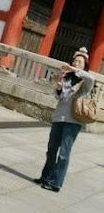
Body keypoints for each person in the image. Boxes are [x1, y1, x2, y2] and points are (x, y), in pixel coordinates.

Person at [34, 46, 94, 192]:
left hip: (73, 121)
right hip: (59, 118)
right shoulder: (66, 78)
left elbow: (91, 78)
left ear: (85, 66)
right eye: (74, 61)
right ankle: (45, 177)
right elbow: (58, 97)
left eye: (79, 62)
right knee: (51, 150)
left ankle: (56, 183)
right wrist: (59, 86)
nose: (76, 63)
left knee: (63, 154)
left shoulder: (84, 83)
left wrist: (74, 69)